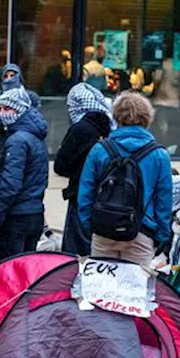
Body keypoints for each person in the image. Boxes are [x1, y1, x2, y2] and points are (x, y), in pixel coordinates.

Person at [78, 92, 172, 267]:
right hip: (141, 231)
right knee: (136, 290)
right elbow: (164, 201)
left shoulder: (100, 149)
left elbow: (85, 193)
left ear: (116, 116)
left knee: (101, 290)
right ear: (147, 117)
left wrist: (90, 226)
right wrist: (160, 236)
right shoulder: (159, 155)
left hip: (103, 230)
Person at [53, 83, 113, 255]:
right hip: (104, 196)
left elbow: (60, 165)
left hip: (79, 193)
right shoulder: (109, 127)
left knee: (75, 249)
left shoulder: (80, 129)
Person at [0, 87, 49, 259]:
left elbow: (10, 183)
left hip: (15, 217)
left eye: (7, 108)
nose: (2, 113)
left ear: (20, 109)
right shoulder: (35, 136)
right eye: (0, 108)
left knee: (11, 273)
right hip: (34, 213)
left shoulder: (17, 141)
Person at [0, 63, 41, 152]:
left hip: (26, 143)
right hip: (2, 143)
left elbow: (34, 119)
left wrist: (0, 115)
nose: (9, 78)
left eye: (12, 75)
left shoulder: (31, 97)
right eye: (6, 76)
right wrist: (18, 116)